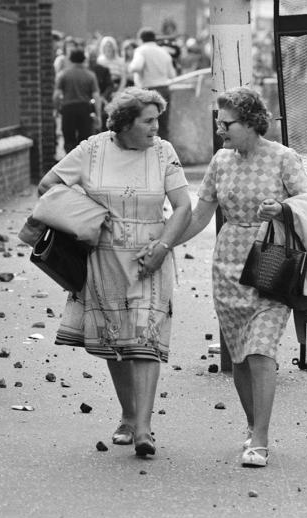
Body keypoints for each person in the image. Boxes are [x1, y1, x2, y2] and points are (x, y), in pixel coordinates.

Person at [151, 87, 307, 467]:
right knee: (240, 356)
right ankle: (251, 425)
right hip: (227, 265)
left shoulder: (283, 158)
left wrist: (282, 208)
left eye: (226, 123)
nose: (220, 129)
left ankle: (261, 438)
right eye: (218, 122)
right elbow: (198, 216)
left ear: (252, 122)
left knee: (260, 350)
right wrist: (164, 244)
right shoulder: (221, 162)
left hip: (272, 259)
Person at [38, 88, 192, 457]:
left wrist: (163, 247)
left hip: (149, 257)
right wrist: (87, 217)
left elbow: (184, 206)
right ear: (124, 123)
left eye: (157, 119)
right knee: (116, 342)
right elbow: (49, 186)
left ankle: (143, 427)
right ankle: (127, 414)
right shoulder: (92, 149)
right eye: (148, 120)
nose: (156, 127)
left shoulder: (163, 152)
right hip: (103, 258)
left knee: (146, 341)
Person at [128, 28, 176, 140]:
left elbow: (136, 66)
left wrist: (129, 67)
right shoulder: (163, 52)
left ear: (140, 39)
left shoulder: (141, 50)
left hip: (147, 91)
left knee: (146, 123)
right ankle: (164, 151)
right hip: (164, 90)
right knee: (163, 124)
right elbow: (172, 74)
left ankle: (147, 151)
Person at [54, 49, 102, 155]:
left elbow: (57, 95)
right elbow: (96, 96)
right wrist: (98, 115)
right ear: (84, 60)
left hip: (68, 108)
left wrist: (57, 109)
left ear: (70, 60)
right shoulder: (90, 75)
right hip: (84, 108)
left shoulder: (63, 74)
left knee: (68, 138)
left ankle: (70, 161)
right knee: (84, 139)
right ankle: (82, 163)